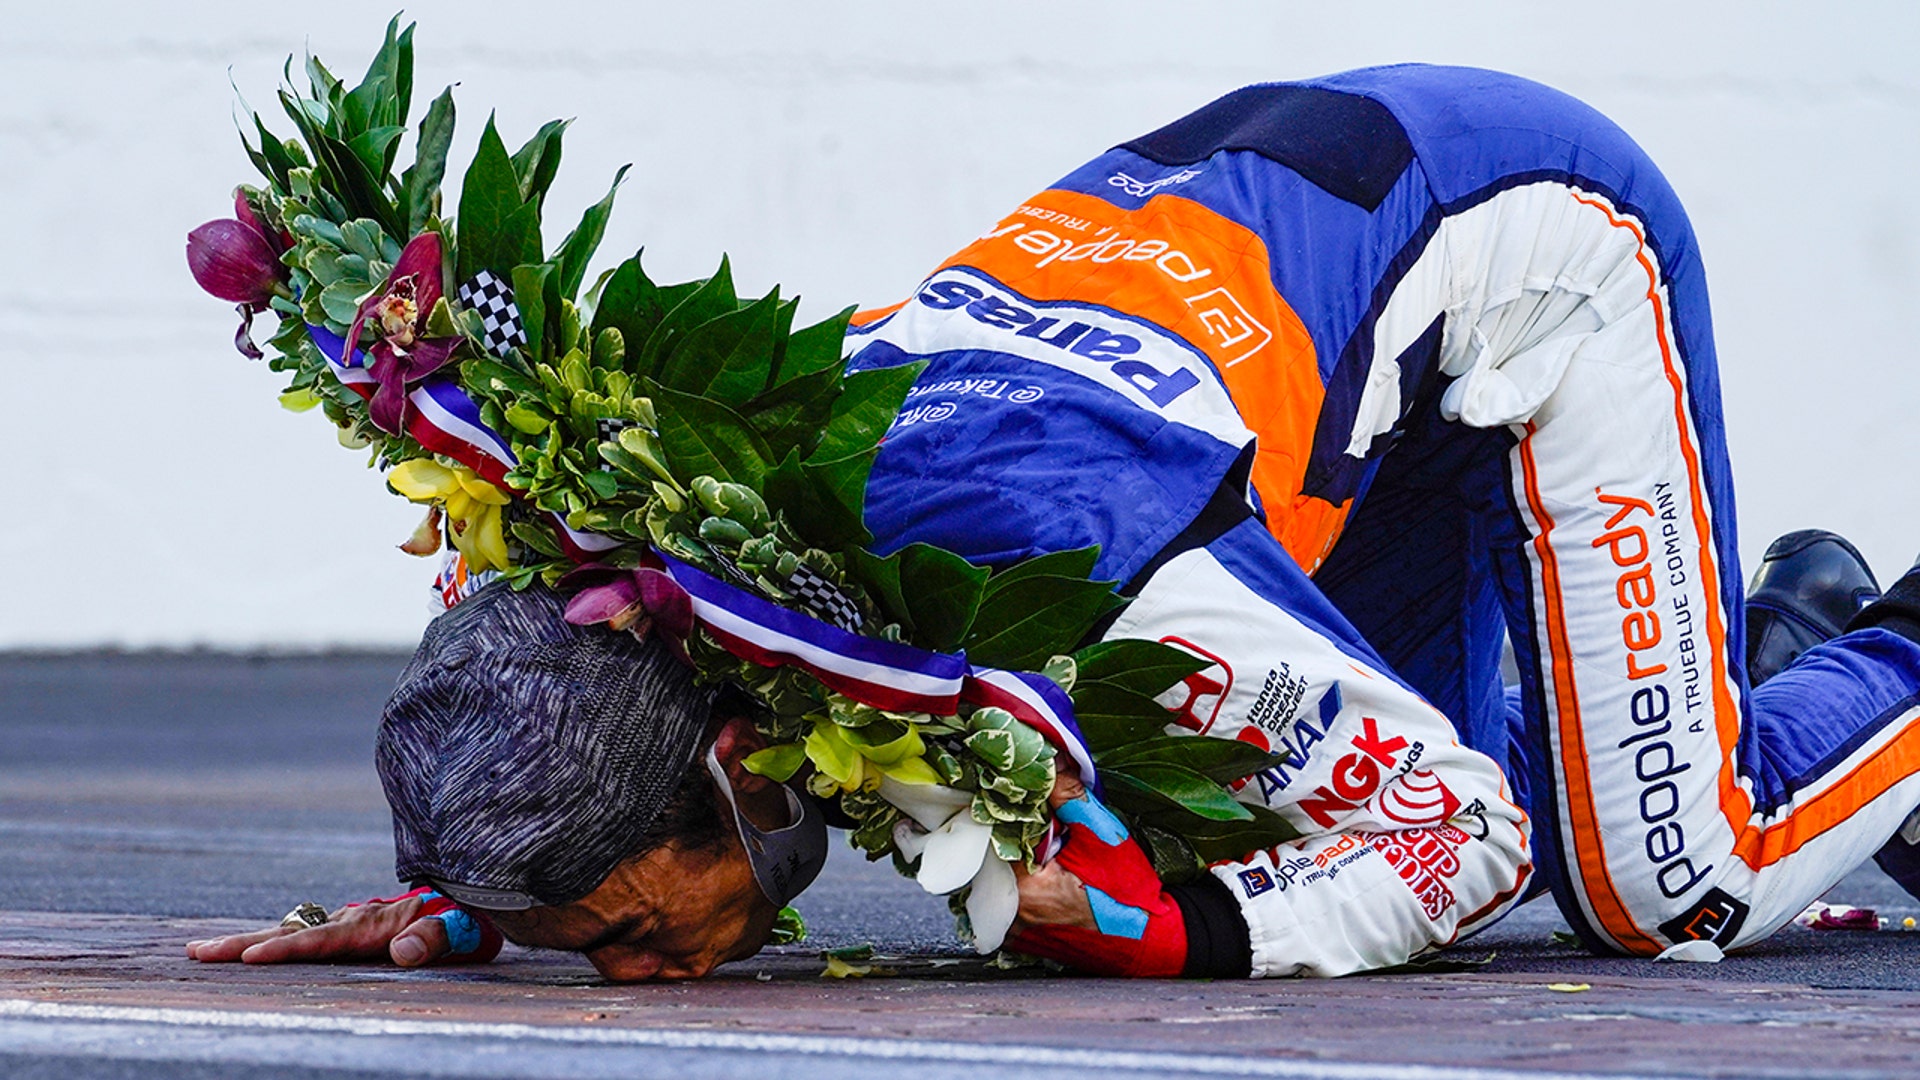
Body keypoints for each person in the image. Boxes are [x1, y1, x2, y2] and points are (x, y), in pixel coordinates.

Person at [188, 63, 1920, 980]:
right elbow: (599, 699)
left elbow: (1461, 840)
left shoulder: (1084, 593)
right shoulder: (703, 590)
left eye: (630, 935)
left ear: (737, 741)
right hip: (1282, 273)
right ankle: (1755, 653)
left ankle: (1863, 659)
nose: (641, 979)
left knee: (1669, 881)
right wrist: (486, 890)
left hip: (1536, 253)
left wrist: (1182, 939)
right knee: (1271, 791)